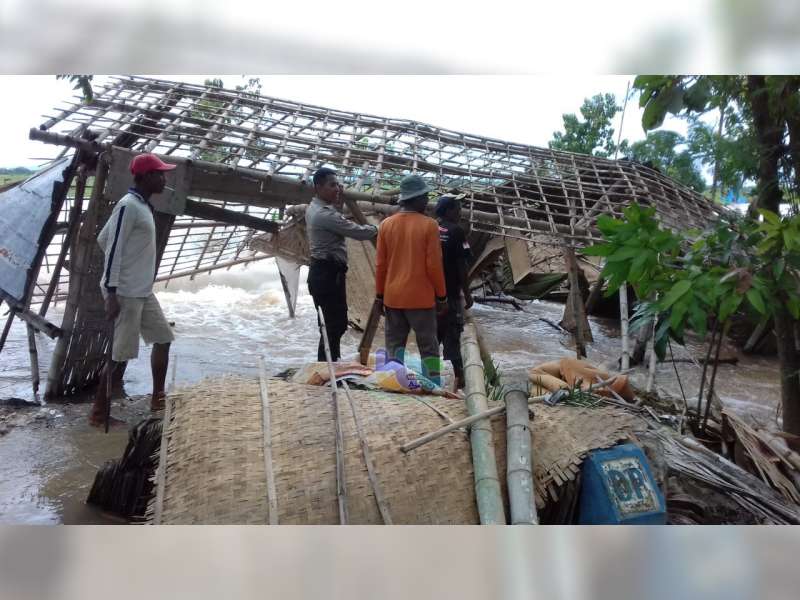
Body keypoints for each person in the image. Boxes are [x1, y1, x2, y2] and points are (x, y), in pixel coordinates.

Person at [89, 153, 176, 427]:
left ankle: (158, 399)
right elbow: (112, 248)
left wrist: (133, 266)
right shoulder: (128, 206)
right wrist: (112, 292)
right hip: (126, 292)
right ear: (146, 176)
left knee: (163, 337)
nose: (164, 179)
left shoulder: (141, 205)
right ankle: (99, 413)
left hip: (141, 290)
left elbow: (104, 238)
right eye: (160, 174)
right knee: (120, 354)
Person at [375, 174, 447, 384]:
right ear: (416, 198)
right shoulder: (429, 225)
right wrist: (442, 297)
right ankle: (432, 386)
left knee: (394, 347)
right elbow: (434, 266)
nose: (427, 201)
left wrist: (379, 296)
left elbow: (380, 265)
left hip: (393, 298)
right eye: (425, 196)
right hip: (421, 299)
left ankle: (394, 385)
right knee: (428, 347)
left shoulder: (386, 225)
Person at [306, 167, 377, 362]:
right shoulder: (324, 215)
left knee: (331, 325)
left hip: (323, 272)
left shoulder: (314, 207)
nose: (337, 189)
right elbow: (358, 232)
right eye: (332, 185)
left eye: (338, 184)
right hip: (328, 275)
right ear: (318, 187)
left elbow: (337, 217)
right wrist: (380, 228)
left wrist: (338, 201)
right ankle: (327, 366)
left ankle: (330, 364)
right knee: (334, 325)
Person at [435, 193, 474, 390]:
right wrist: (467, 293)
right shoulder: (457, 231)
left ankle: (431, 379)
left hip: (430, 294)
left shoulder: (431, 228)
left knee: (432, 338)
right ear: (449, 211)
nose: (460, 213)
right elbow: (461, 266)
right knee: (452, 336)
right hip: (450, 294)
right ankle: (460, 379)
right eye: (458, 209)